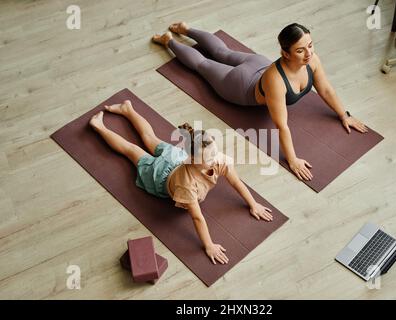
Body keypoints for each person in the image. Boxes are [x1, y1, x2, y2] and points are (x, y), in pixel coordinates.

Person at [152, 22, 369, 181]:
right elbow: (281, 125)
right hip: (238, 85)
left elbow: (326, 89)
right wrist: (292, 159)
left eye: (310, 45)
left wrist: (344, 115)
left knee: (223, 51)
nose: (308, 54)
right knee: (203, 65)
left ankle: (186, 29)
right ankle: (168, 40)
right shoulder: (276, 81)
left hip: (257, 63)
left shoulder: (312, 60)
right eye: (300, 50)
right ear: (284, 53)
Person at [89, 100, 273, 265]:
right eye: (207, 158)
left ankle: (127, 109)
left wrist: (253, 204)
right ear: (191, 159)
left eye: (214, 152)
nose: (214, 159)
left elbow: (236, 182)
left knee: (149, 138)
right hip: (159, 174)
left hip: (173, 157)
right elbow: (197, 217)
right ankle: (99, 127)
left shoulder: (219, 159)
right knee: (131, 149)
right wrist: (209, 245)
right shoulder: (187, 185)